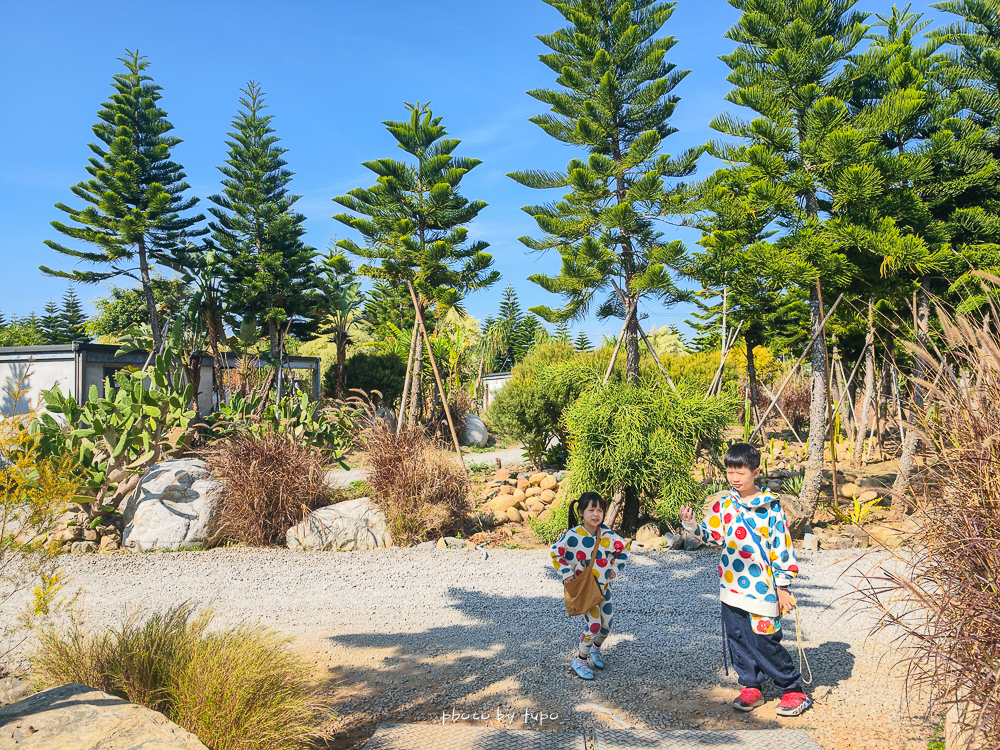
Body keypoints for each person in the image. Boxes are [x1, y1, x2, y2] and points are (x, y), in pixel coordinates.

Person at [679, 442, 812, 717]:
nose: (735, 478)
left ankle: (793, 688)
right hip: (731, 586)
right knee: (738, 637)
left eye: (740, 471)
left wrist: (783, 586)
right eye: (730, 471)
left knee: (764, 639)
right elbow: (713, 536)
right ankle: (751, 685)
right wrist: (692, 525)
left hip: (763, 588)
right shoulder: (726, 504)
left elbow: (782, 547)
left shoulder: (771, 508)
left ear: (756, 471)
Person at [549, 492, 629, 680]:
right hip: (586, 591)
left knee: (606, 625)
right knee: (593, 626)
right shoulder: (573, 536)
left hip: (604, 589)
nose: (596, 514)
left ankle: (595, 649)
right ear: (581, 512)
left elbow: (623, 550)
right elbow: (556, 552)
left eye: (599, 510)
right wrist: (566, 573)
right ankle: (580, 660)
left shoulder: (608, 535)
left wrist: (615, 568)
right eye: (591, 510)